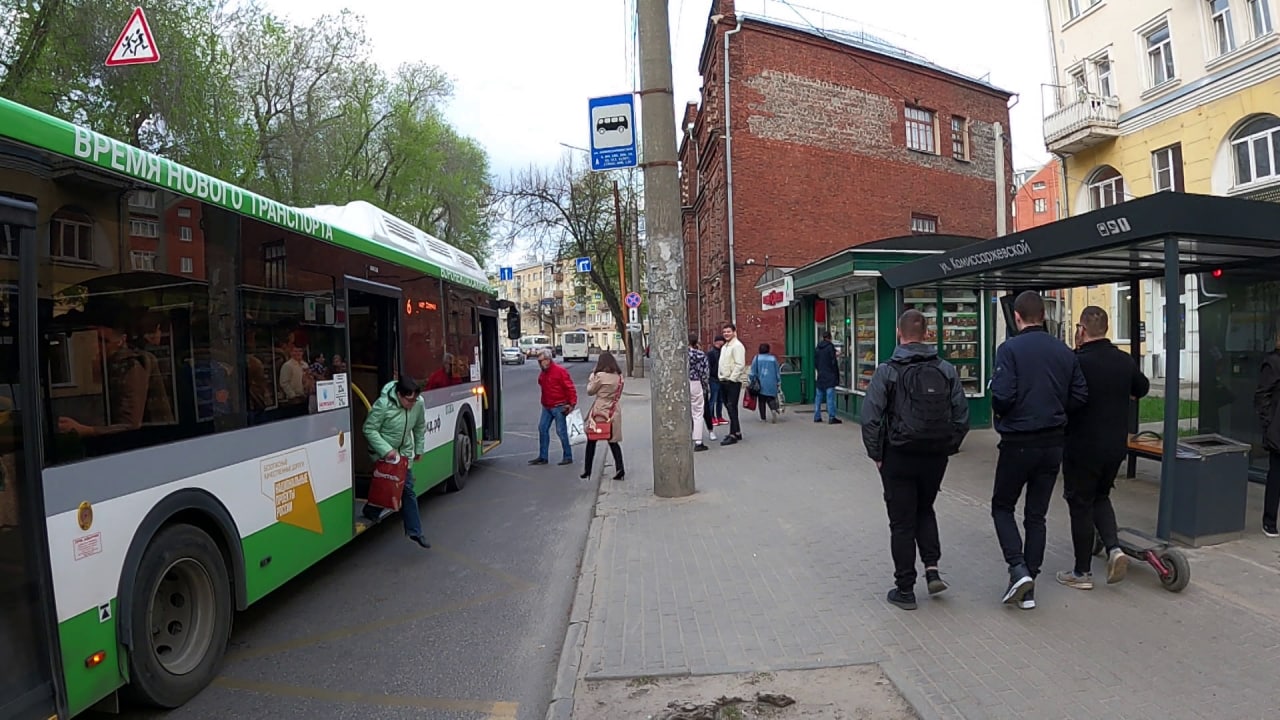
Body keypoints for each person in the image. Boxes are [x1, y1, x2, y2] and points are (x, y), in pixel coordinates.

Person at [862, 309, 970, 611]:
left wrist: (877, 455)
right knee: (925, 508)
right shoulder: (946, 369)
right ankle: (932, 568)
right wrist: (949, 447)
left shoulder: (888, 370)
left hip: (898, 454)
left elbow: (870, 417)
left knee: (901, 522)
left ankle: (905, 589)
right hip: (934, 456)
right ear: (927, 334)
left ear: (900, 333)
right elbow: (962, 416)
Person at [990, 291, 1088, 610]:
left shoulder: (1010, 350)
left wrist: (1006, 412)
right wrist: (1056, 409)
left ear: (1017, 317)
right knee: (1037, 515)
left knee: (1002, 507)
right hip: (1053, 442)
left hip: (1018, 441)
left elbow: (1002, 396)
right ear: (1044, 316)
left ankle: (1017, 568)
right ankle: (1028, 586)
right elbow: (1080, 395)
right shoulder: (1064, 351)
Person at [1058, 307, 1151, 590]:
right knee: (1100, 496)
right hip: (1114, 446)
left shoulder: (1075, 362)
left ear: (1082, 330)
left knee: (1080, 504)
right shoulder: (1124, 361)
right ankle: (1114, 549)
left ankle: (1081, 572)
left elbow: (1064, 399)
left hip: (1081, 447)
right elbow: (1143, 387)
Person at [362, 377, 430, 548]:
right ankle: (372, 511)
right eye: (409, 400)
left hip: (404, 452)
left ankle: (415, 531)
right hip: (384, 453)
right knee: (391, 486)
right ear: (399, 395)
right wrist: (387, 451)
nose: (412, 404)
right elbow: (369, 429)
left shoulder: (418, 403)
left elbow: (420, 426)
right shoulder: (383, 405)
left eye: (415, 400)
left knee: (404, 488)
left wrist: (419, 449)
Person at [580, 352, 626, 479]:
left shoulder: (599, 376)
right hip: (614, 409)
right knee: (613, 441)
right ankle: (620, 468)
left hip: (600, 409)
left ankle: (587, 470)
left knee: (592, 439)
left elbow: (590, 391)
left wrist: (591, 378)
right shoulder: (619, 376)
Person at [1254, 330, 1280, 538]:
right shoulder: (1273, 362)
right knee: (1276, 475)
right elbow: (1262, 395)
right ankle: (1269, 521)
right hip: (1278, 429)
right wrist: (1269, 424)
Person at [531, 348, 577, 466]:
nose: (541, 363)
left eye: (542, 360)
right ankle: (543, 457)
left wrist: (571, 404)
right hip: (547, 405)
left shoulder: (559, 371)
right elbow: (541, 384)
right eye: (539, 361)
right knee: (542, 428)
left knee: (561, 431)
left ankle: (568, 456)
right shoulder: (543, 373)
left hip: (559, 406)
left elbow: (570, 388)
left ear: (548, 359)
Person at [717, 323, 747, 445]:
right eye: (724, 332)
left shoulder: (737, 346)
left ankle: (733, 435)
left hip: (732, 382)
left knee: (731, 407)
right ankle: (737, 431)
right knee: (730, 407)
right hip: (723, 380)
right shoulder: (725, 346)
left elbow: (740, 364)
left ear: (734, 332)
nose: (726, 334)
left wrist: (732, 379)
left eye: (728, 331)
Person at [748, 343, 782, 423]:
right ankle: (773, 409)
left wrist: (751, 380)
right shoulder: (773, 359)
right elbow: (777, 371)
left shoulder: (756, 358)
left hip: (760, 382)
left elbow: (753, 372)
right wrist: (779, 381)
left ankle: (763, 418)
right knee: (771, 398)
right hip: (771, 382)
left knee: (761, 400)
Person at [689, 334, 711, 451]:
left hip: (681, 384)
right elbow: (704, 372)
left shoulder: (680, 354)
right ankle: (698, 441)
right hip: (695, 382)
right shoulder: (700, 354)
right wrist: (705, 386)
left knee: (684, 411)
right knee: (697, 412)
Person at [814, 331, 841, 424]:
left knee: (818, 397)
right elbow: (833, 362)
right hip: (829, 375)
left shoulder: (818, 347)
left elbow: (816, 362)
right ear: (830, 337)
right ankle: (831, 417)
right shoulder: (830, 347)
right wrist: (836, 374)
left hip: (821, 375)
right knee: (830, 397)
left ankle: (817, 416)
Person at [706, 336, 726, 426]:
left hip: (721, 378)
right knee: (713, 398)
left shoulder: (723, 351)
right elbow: (709, 366)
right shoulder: (711, 353)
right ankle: (711, 417)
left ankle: (719, 416)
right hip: (713, 378)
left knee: (720, 399)